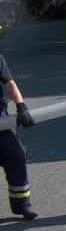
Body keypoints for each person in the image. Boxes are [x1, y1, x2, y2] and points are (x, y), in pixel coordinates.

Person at [0, 55, 37, 219]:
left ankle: (22, 205)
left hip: (0, 122)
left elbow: (10, 83)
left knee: (17, 156)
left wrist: (21, 107)